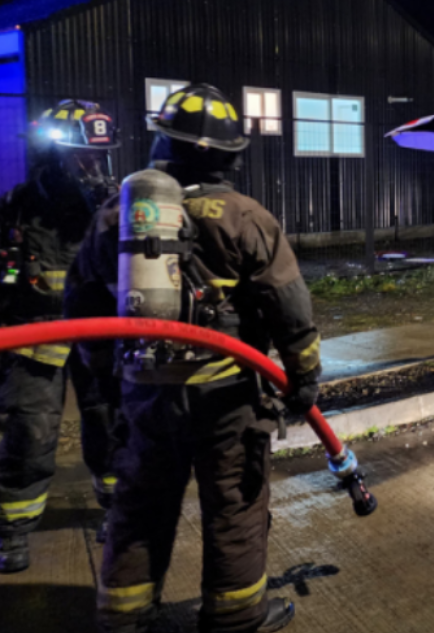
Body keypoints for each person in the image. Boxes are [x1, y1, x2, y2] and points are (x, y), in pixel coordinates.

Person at [68, 84, 321, 633]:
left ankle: (124, 619)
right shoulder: (245, 216)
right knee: (234, 505)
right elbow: (290, 306)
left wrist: (108, 380)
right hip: (226, 397)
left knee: (140, 507)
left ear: (164, 141)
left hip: (145, 393)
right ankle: (234, 618)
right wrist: (304, 377)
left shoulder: (116, 216)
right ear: (230, 155)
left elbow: (82, 304)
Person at [0, 99, 123, 573]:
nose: (93, 167)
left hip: (99, 334)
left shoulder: (116, 207)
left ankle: (116, 509)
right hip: (35, 335)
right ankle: (13, 529)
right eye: (83, 157)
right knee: (28, 430)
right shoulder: (20, 205)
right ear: (55, 156)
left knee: (109, 421)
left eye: (99, 157)